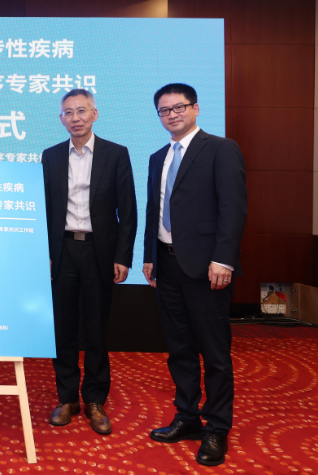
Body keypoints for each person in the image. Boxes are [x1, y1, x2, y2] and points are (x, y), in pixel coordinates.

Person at [142, 83, 247, 466]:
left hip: (207, 267)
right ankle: (187, 417)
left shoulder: (220, 148)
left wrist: (224, 259)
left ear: (196, 108)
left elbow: (233, 208)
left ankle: (217, 427)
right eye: (164, 110)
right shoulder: (158, 156)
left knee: (215, 354)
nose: (171, 114)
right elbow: (154, 208)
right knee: (180, 349)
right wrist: (149, 255)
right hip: (167, 264)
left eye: (179, 107)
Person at [41, 89, 137, 435]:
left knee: (96, 328)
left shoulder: (116, 153)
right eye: (68, 112)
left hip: (99, 251)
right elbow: (43, 209)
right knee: (63, 329)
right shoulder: (51, 156)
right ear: (61, 119)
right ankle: (67, 398)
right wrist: (44, 253)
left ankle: (95, 399)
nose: (76, 118)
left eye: (81, 110)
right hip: (63, 251)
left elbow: (128, 210)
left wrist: (123, 256)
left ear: (95, 113)